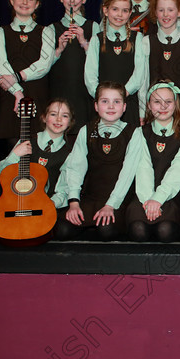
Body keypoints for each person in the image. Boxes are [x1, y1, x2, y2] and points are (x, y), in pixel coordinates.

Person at [51, 82, 136, 241]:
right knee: (61, 230)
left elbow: (128, 173)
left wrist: (110, 205)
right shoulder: (86, 130)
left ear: (124, 107)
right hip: (91, 198)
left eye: (116, 102)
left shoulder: (133, 132)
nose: (111, 106)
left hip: (118, 200)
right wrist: (74, 202)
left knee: (106, 230)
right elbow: (76, 168)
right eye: (105, 101)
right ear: (96, 106)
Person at [125, 81, 180, 243]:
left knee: (165, 231)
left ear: (175, 105)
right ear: (148, 105)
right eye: (157, 102)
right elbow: (143, 168)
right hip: (144, 193)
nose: (163, 106)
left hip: (171, 194)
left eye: (168, 102)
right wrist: (149, 200)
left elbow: (178, 169)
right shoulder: (141, 133)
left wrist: (158, 199)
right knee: (138, 231)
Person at [0, 0, 55, 142]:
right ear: (12, 0)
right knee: (13, 152)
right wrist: (18, 93)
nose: (25, 2)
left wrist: (17, 77)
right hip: (11, 96)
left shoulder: (46, 31)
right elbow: (1, 67)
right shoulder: (1, 32)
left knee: (37, 148)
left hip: (37, 95)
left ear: (37, 4)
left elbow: (44, 64)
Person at [137, 0, 180, 126]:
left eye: (170, 10)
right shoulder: (146, 42)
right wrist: (142, 111)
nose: (165, 15)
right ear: (155, 12)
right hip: (154, 109)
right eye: (161, 10)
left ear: (179, 12)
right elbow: (143, 81)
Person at [84, 0, 145, 128]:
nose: (119, 15)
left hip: (128, 103)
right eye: (115, 9)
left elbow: (139, 73)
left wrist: (122, 96)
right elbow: (90, 76)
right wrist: (103, 100)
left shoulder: (138, 38)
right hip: (103, 107)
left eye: (124, 11)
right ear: (106, 10)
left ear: (130, 13)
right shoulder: (96, 40)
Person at [0, 98, 74, 198]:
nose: (58, 119)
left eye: (64, 115)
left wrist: (48, 205)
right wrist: (15, 155)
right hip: (17, 200)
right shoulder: (27, 141)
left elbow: (63, 190)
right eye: (53, 114)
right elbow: (2, 173)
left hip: (47, 205)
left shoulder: (69, 153)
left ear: (70, 122)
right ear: (43, 117)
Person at [49, 0, 99, 131]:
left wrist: (84, 42)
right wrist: (59, 49)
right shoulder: (52, 28)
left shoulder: (93, 26)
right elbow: (44, 65)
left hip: (85, 93)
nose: (72, 0)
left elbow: (100, 60)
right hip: (60, 90)